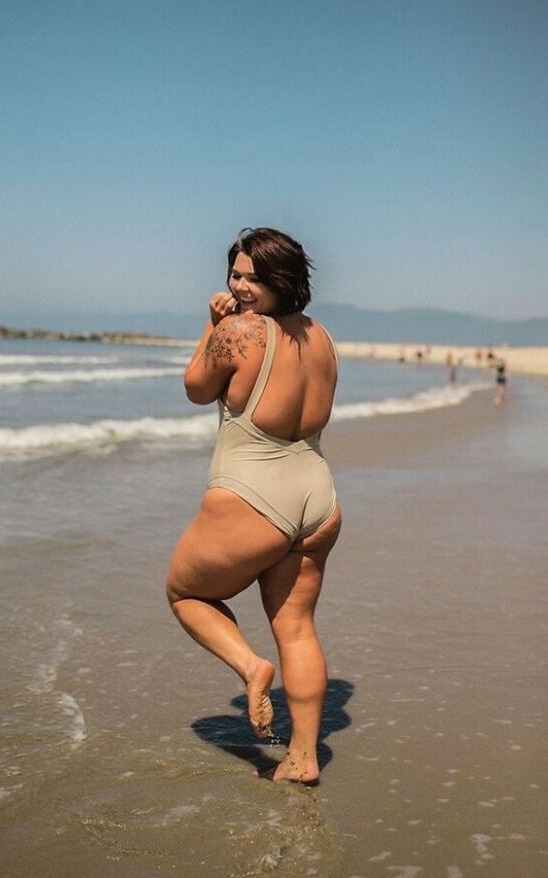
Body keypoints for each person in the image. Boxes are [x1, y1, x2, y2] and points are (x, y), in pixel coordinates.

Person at [166, 228, 342, 786]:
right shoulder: (322, 338)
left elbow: (196, 388)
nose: (239, 287)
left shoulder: (238, 332)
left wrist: (212, 323)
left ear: (280, 282)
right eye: (234, 275)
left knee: (186, 592)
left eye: (253, 278)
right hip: (318, 496)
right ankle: (303, 758)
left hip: (252, 494)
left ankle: (250, 666)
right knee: (296, 628)